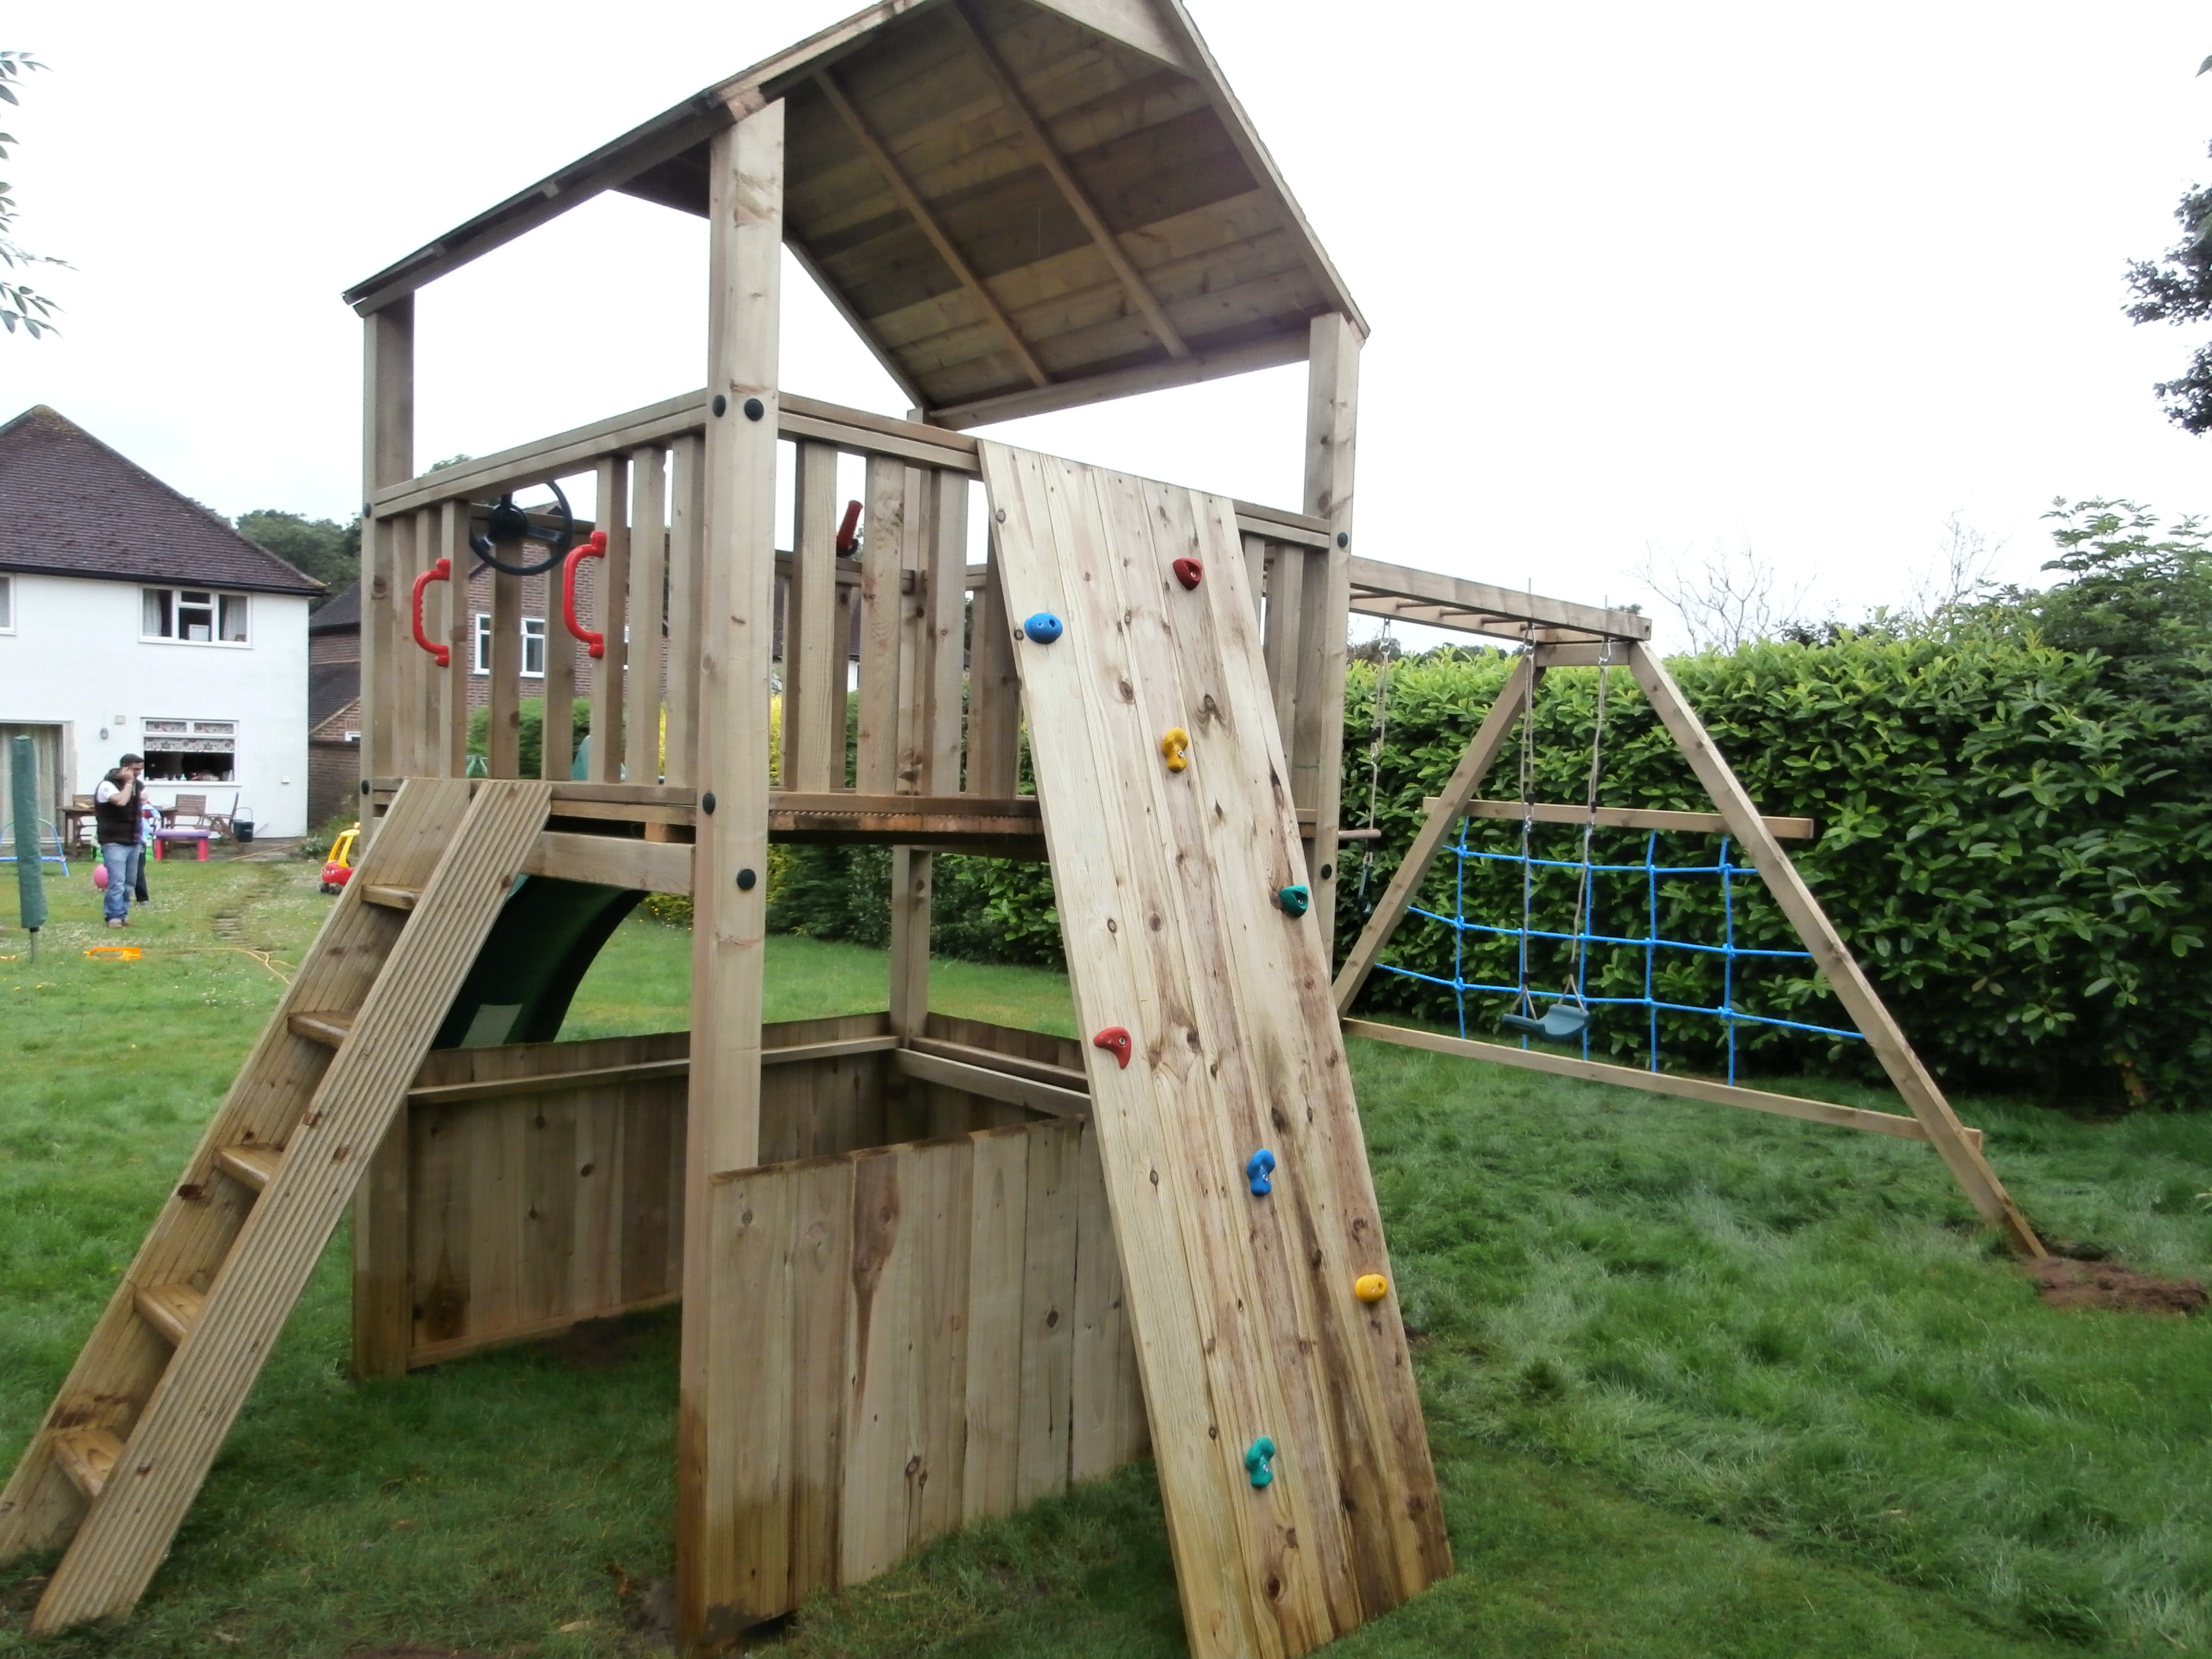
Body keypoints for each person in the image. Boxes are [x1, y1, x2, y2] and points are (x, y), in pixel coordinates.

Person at [93, 754, 147, 928]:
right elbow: (121, 801)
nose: (139, 773)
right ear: (125, 768)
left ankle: (123, 915)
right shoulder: (107, 785)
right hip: (114, 840)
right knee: (117, 881)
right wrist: (129, 783)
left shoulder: (137, 785)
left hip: (133, 840)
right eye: (136, 769)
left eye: (141, 769)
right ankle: (114, 917)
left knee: (130, 882)